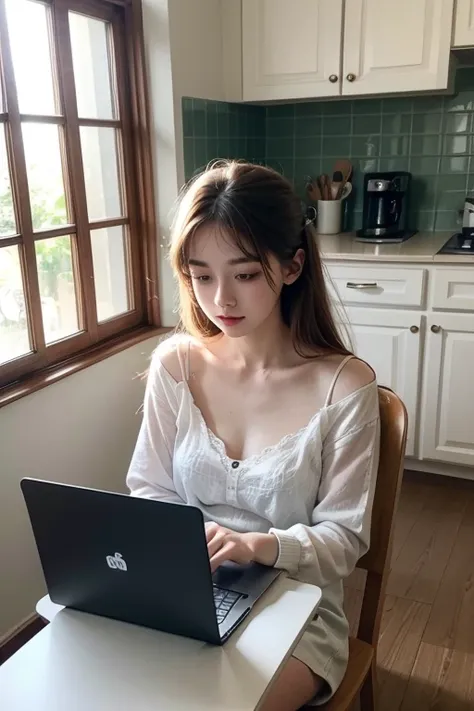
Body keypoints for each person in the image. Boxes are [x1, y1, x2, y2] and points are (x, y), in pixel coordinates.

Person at [126, 161, 380, 710]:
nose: (221, 300)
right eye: (201, 275)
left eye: (243, 274)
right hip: (190, 589)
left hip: (301, 606)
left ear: (292, 266)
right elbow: (148, 488)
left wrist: (260, 545)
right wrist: (184, 544)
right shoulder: (177, 367)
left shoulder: (344, 386)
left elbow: (345, 539)